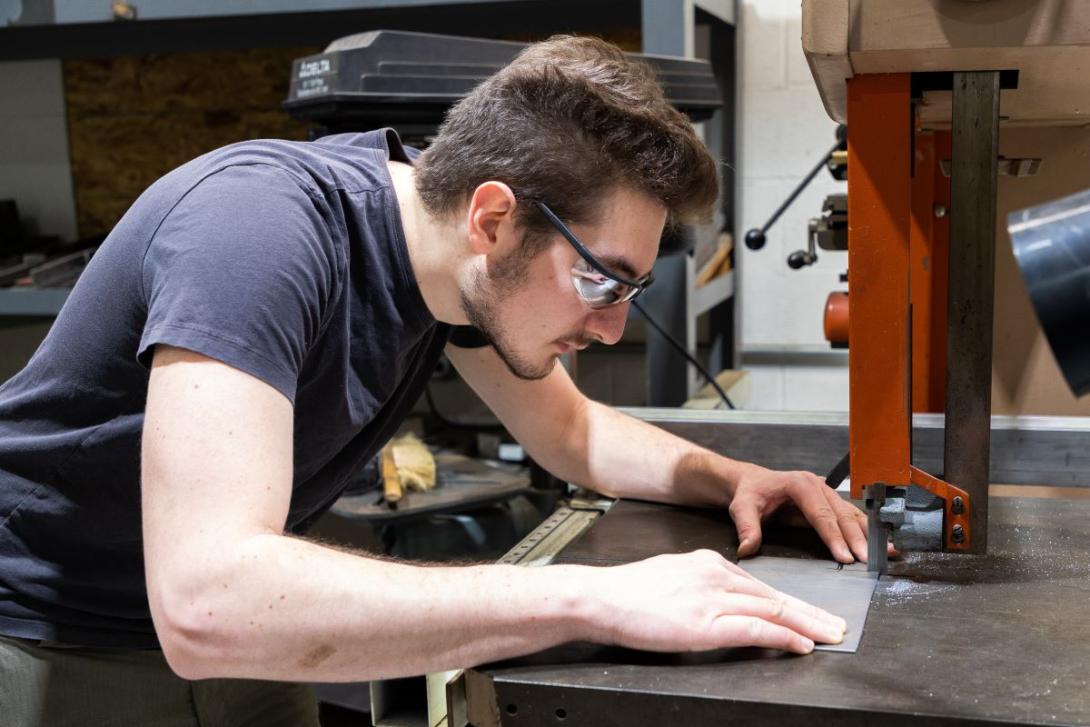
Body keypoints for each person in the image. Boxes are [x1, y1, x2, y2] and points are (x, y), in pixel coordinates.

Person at [0, 35, 873, 725]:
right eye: (602, 280)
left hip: (242, 647)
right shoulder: (256, 234)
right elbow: (208, 598)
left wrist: (737, 481)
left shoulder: (455, 268)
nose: (612, 325)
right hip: (55, 638)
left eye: (631, 289)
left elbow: (576, 436)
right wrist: (600, 597)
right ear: (494, 217)